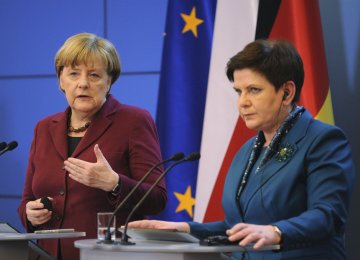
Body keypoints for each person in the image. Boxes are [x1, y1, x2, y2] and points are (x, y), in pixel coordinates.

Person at [128, 39, 356, 259]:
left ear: (286, 92)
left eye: (254, 90)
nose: (243, 102)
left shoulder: (323, 140)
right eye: (239, 91)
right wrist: (185, 230)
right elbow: (236, 227)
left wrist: (276, 232)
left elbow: (328, 215)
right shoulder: (247, 150)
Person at [18, 32, 167, 260]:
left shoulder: (133, 121)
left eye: (95, 75)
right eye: (74, 74)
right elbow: (27, 200)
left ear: (109, 82)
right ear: (61, 80)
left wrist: (114, 183)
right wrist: (30, 214)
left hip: (105, 255)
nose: (83, 83)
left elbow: (158, 198)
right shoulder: (44, 127)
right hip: (45, 254)